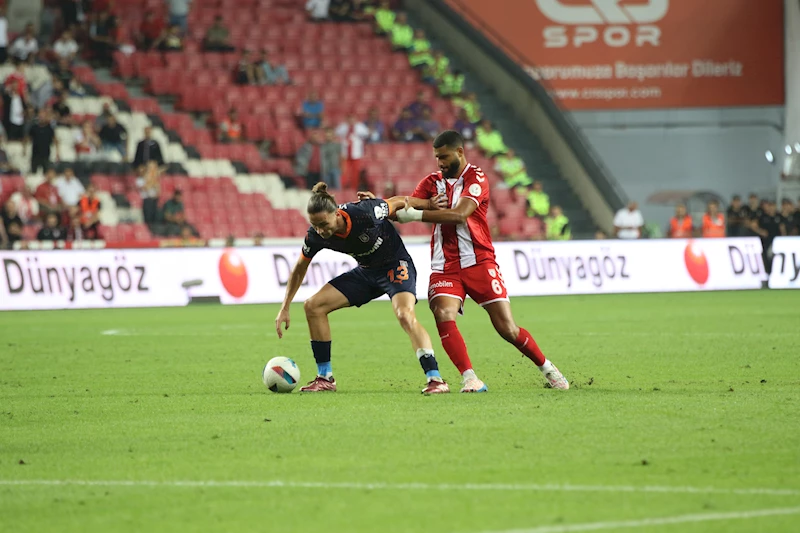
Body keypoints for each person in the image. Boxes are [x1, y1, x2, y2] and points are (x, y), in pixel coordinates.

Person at [361, 130, 569, 392]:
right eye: (437, 158)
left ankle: (547, 368)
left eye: (445, 157)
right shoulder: (432, 182)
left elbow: (460, 215)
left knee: (507, 328)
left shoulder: (476, 178)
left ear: (460, 152)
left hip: (479, 261)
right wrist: (378, 206)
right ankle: (470, 377)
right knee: (442, 312)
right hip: (444, 265)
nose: (440, 163)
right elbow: (407, 202)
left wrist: (415, 216)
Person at [274, 182, 450, 394]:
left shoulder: (364, 213)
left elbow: (397, 202)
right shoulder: (315, 236)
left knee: (404, 314)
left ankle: (435, 379)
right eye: (315, 225)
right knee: (313, 306)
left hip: (394, 265)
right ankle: (325, 378)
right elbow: (300, 268)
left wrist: (428, 204)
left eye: (323, 224)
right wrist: (285, 306)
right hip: (366, 273)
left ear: (336, 213)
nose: (320, 231)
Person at [335, 114, 369, 189]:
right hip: (345, 154)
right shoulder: (342, 127)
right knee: (344, 172)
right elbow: (336, 134)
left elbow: (367, 134)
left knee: (355, 173)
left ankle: (354, 188)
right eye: (349, 119)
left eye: (353, 119)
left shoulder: (360, 127)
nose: (351, 121)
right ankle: (343, 188)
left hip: (356, 154)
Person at [751, 200, 785, 274]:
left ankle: (776, 272)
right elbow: (753, 225)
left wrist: (783, 238)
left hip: (776, 241)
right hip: (766, 241)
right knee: (766, 257)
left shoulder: (778, 216)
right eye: (770, 206)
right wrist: (760, 231)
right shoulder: (763, 216)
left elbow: (782, 228)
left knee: (776, 257)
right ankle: (767, 273)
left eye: (773, 206)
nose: (772, 208)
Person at [24, 109, 59, 174]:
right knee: (33, 173)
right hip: (35, 154)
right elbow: (27, 139)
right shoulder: (34, 128)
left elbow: (55, 140)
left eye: (43, 116)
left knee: (45, 173)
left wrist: (57, 153)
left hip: (46, 155)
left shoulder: (50, 129)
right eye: (40, 116)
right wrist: (25, 149)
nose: (42, 118)